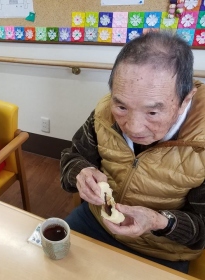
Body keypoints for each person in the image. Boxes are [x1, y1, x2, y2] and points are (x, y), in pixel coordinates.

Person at [60, 31, 205, 273]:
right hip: (96, 221)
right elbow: (72, 157)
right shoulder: (104, 113)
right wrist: (80, 172)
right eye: (122, 106)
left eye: (152, 112)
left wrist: (160, 222)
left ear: (185, 99)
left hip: (161, 249)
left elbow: (202, 229)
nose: (133, 127)